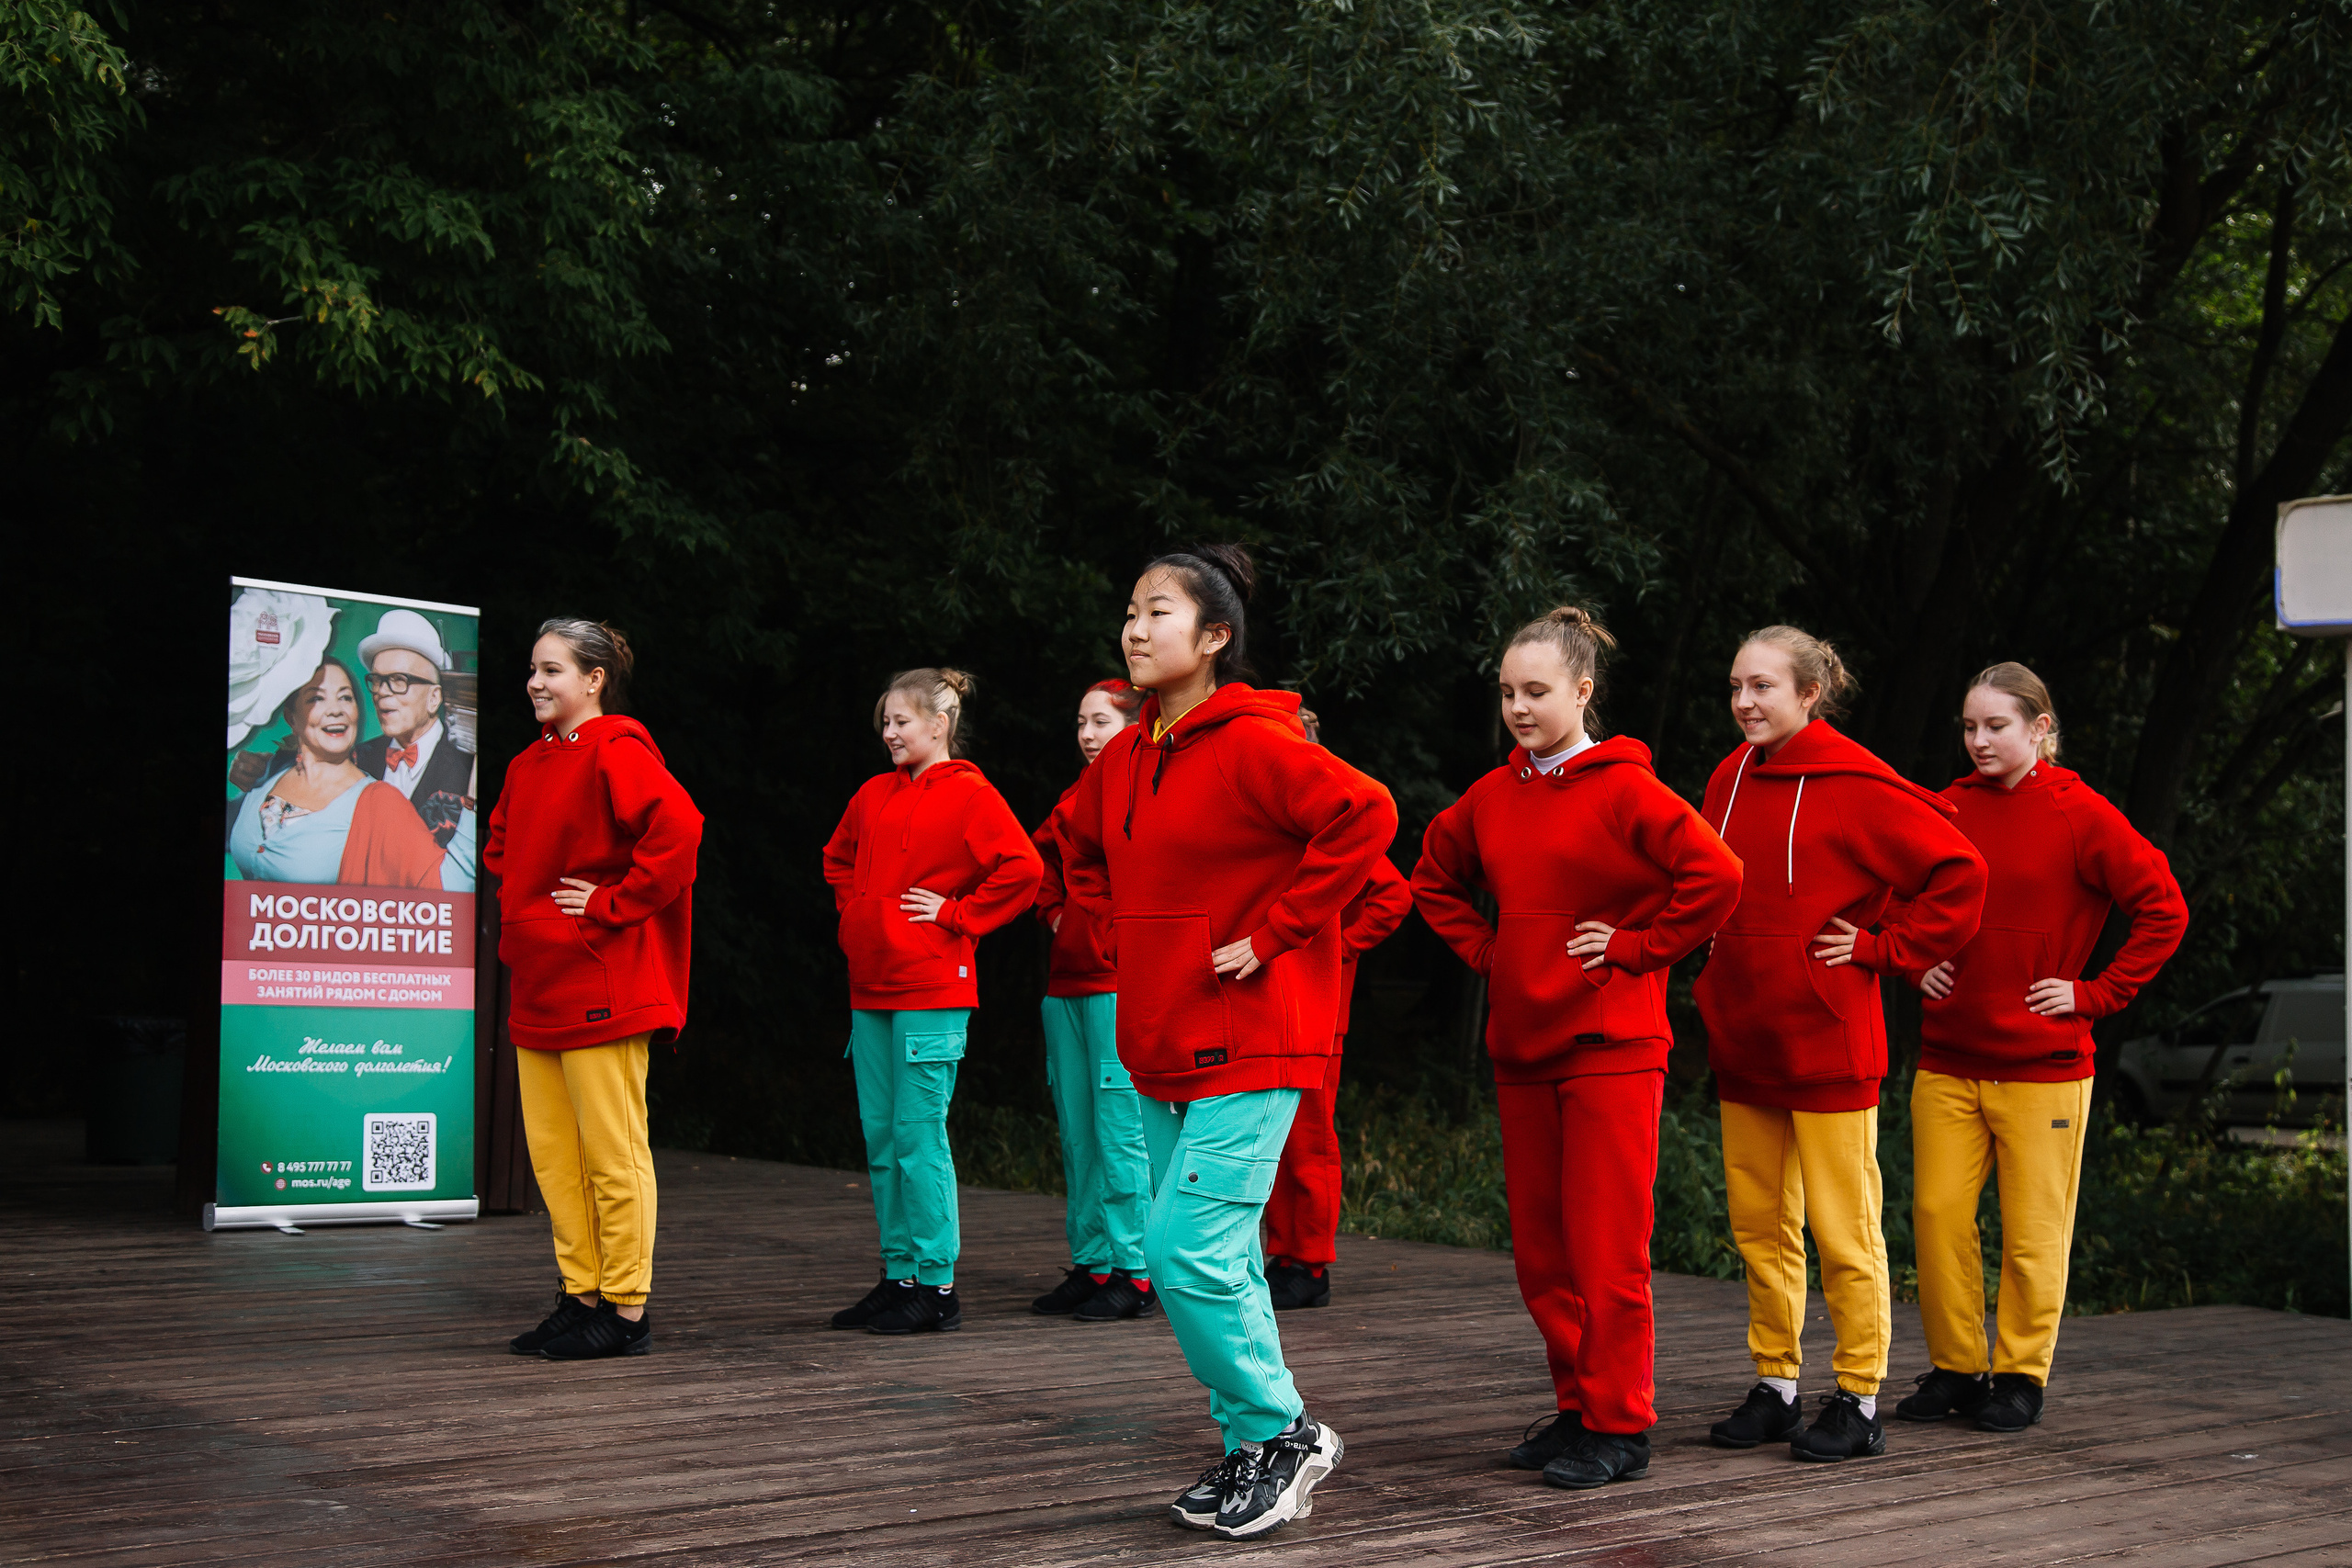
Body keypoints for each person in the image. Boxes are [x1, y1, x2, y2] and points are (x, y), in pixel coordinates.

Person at [1061, 546, 1396, 1540]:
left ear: (1213, 638)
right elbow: (1075, 847)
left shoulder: (1256, 743)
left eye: (1156, 612)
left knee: (1181, 1250)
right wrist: (1125, 934)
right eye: (1128, 610)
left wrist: (1279, 931)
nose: (1133, 628)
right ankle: (1251, 1447)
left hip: (1255, 1039)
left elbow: (1365, 815)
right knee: (1221, 1260)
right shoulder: (1124, 757)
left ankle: (1284, 1432)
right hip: (1161, 1040)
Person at [1414, 607, 1743, 1490]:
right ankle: (1577, 1407)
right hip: (1522, 1045)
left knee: (1606, 1249)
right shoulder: (1493, 795)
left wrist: (1638, 948)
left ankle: (1621, 1425)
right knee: (1543, 1254)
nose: (1519, 708)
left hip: (1612, 1044)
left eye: (1537, 691)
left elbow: (1718, 876)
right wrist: (1490, 950)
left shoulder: (1627, 789)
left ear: (1583, 691)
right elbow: (1432, 875)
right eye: (1508, 693)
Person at [1695, 626, 1986, 1461]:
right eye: (1736, 687)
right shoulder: (1728, 774)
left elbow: (1958, 870)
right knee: (1760, 1225)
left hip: (1829, 1039)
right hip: (1745, 1035)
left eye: (1763, 687)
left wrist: (1879, 948)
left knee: (1843, 1229)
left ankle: (1858, 1397)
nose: (1745, 702)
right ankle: (1777, 1384)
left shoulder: (1855, 781)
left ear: (1809, 693)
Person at [1894, 663, 2187, 1433]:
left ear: (2040, 729)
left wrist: (2095, 993)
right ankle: (1958, 1367)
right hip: (1949, 1057)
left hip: (2045, 1068)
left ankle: (2020, 1375)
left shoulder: (2081, 814)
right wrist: (1914, 957)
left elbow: (2163, 908)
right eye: (1969, 726)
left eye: (1997, 725)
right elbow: (1891, 889)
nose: (1980, 739)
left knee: (2032, 1234)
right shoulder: (1946, 806)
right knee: (1936, 1215)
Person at [488, 619, 703, 1361]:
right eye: (533, 669)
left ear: (594, 679)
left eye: (553, 670)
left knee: (613, 1154)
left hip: (603, 978)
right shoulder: (527, 763)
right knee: (555, 1157)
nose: (537, 682)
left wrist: (610, 904)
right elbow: (500, 846)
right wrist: (532, 904)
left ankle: (628, 1306)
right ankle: (579, 1295)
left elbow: (678, 830)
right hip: (541, 981)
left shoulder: (619, 747)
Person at [822, 668, 1044, 1336]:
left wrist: (959, 914)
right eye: (884, 722)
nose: (889, 733)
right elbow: (836, 858)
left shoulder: (970, 794)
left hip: (931, 988)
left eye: (902, 722)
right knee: (884, 1137)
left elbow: (1023, 868)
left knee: (920, 1138)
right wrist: (858, 917)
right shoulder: (871, 794)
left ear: (939, 724)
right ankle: (900, 1276)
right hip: (872, 987)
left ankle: (936, 1284)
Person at [1262, 707, 1413, 1312]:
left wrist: (1339, 946)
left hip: (1322, 1010)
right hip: (1272, 1007)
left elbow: (1393, 895)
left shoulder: (1332, 825)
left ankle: (1311, 1262)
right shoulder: (1273, 824)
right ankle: (1284, 1252)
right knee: (1273, 1137)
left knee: (1308, 1139)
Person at [1028, 679, 1160, 1324]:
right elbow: (1037, 864)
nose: (1086, 733)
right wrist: (1055, 913)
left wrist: (1116, 932)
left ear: (1133, 724)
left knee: (1121, 1133)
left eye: (1100, 720)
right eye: (1080, 721)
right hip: (1066, 987)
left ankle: (1137, 1273)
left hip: (1117, 985)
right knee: (1080, 1134)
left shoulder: (1144, 783)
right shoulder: (1074, 795)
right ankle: (1095, 1262)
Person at [228, 656, 472, 890]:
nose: (336, 710)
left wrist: (474, 800)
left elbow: (448, 888)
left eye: (345, 697)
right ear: (291, 718)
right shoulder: (272, 771)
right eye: (316, 698)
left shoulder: (379, 801)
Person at [355, 607, 477, 849]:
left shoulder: (469, 766)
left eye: (399, 680)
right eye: (377, 680)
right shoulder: (357, 759)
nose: (382, 692)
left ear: (434, 697)